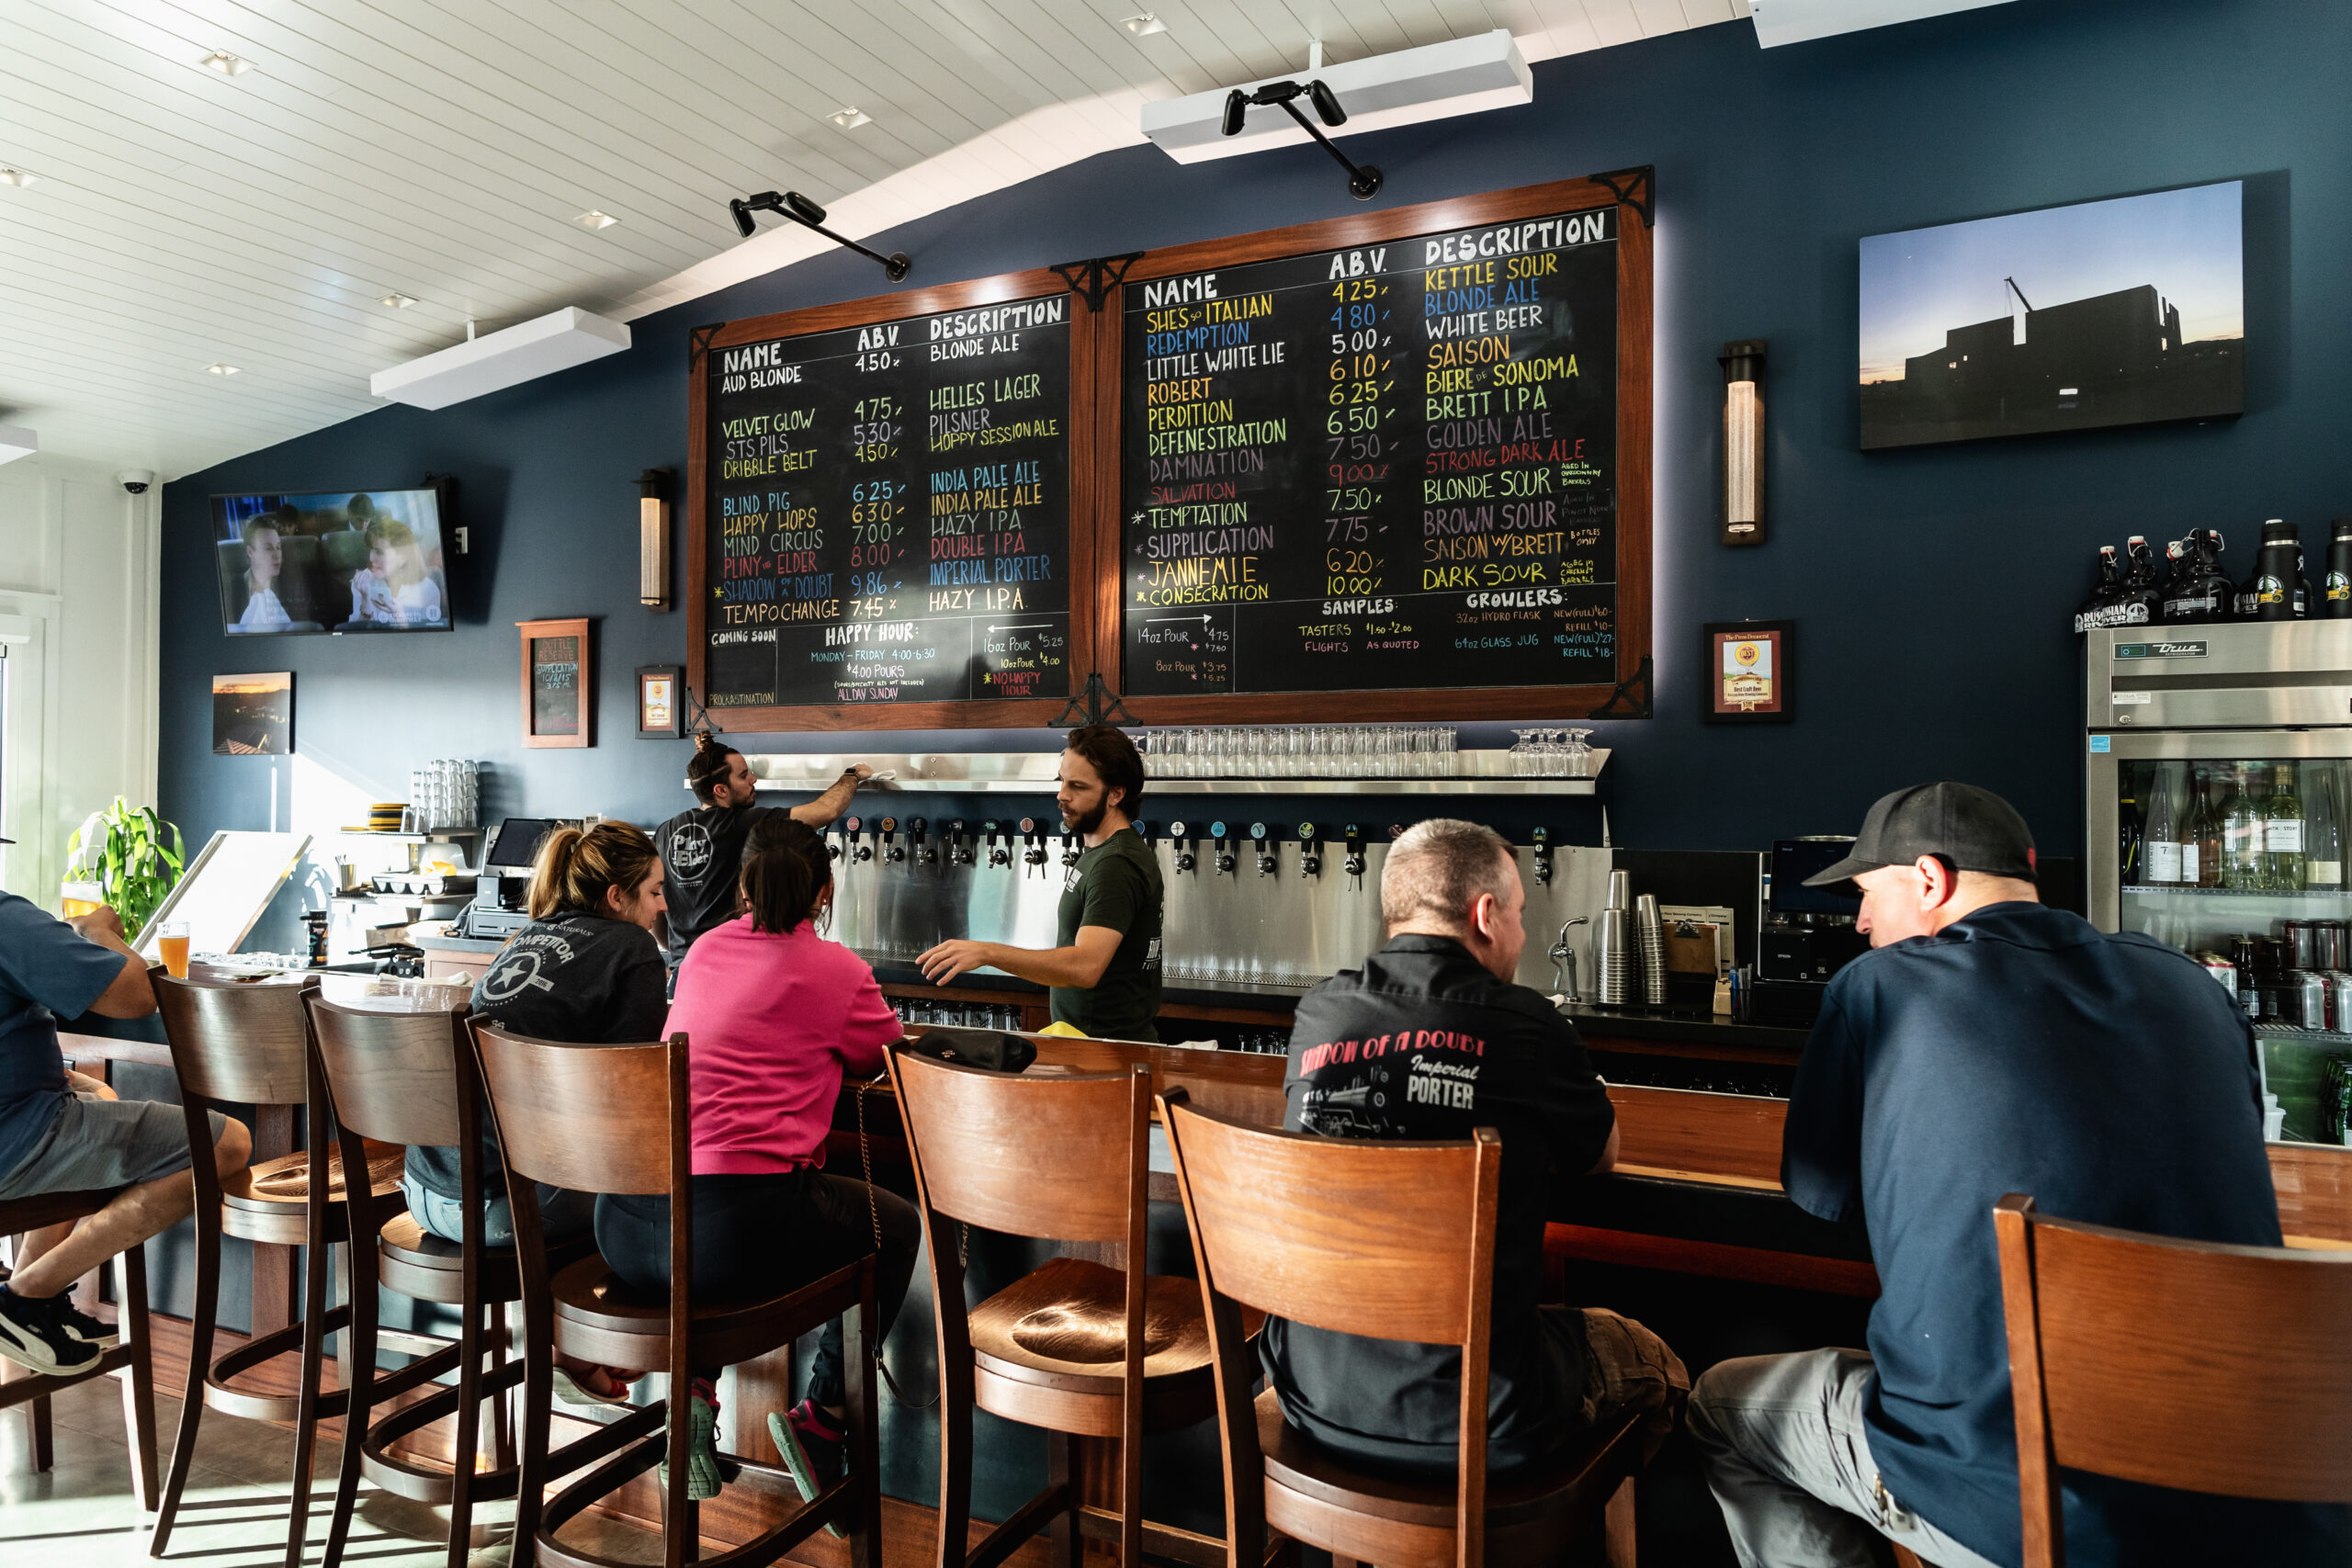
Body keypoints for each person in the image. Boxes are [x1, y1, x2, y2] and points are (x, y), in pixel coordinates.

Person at [1689, 782, 2347, 1568]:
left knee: (1722, 1407)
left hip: (2014, 1501)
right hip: (2270, 1501)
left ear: (1930, 880)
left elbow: (1817, 1191)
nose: (1860, 922)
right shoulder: (2193, 986)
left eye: (1867, 894)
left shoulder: (1876, 988)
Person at [1261, 818, 1686, 1476]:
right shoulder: (1527, 1023)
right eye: (1520, 914)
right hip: (1480, 1418)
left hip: (1311, 1393)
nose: (1521, 933)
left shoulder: (1320, 1012)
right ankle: (1554, 1536)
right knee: (1657, 1362)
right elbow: (1599, 1155)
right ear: (1486, 914)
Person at [597, 815, 919, 1507]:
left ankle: (692, 1388)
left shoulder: (703, 950)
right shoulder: (841, 970)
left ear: (742, 885)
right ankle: (822, 1421)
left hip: (623, 1225)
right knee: (895, 1227)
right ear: (825, 891)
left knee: (722, 1214)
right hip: (725, 1233)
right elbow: (887, 1055)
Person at [406, 821, 668, 1406]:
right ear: (615, 898)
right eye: (653, 891)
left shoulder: (531, 935)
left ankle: (560, 1342)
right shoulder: (632, 950)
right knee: (648, 1199)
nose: (663, 904)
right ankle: (571, 1344)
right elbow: (623, 1099)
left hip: (424, 1191)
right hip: (496, 1210)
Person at [0, 881, 250, 1376]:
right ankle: (23, 1300)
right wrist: (99, 932)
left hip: (21, 1123)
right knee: (226, 1143)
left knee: (99, 1100)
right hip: (15, 1140)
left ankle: (28, 1301)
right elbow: (135, 997)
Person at [916, 725, 1164, 1042]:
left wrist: (987, 952)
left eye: (1077, 786)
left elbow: (1086, 966)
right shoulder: (1104, 852)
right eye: (1062, 780)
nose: (1062, 795)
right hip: (1090, 1043)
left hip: (1106, 1050)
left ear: (1116, 794)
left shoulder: (1115, 864)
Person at [653, 734, 868, 976]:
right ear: (721, 789)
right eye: (743, 776)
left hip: (683, 974)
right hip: (730, 972)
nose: (753, 779)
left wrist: (679, 955)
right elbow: (826, 810)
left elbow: (657, 911)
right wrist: (852, 775)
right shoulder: (739, 824)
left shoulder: (664, 832)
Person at [345, 518, 443, 627]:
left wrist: (401, 619)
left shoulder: (428, 590)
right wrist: (365, 603)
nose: (371, 558)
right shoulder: (362, 583)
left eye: (379, 552)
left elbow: (429, 639)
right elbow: (355, 637)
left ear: (402, 558)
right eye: (370, 550)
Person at [231, 516, 293, 632]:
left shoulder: (290, 584)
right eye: (268, 548)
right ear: (250, 552)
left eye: (278, 547)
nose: (277, 554)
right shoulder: (234, 589)